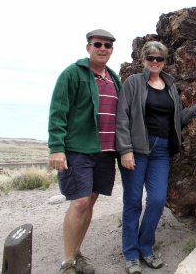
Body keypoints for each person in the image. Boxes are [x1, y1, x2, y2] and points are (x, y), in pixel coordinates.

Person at [116, 41, 196, 274]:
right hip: (137, 149)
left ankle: (145, 246)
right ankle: (130, 254)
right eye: (150, 58)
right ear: (143, 60)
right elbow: (122, 117)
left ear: (164, 61)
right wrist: (125, 150)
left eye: (159, 59)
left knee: (158, 200)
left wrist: (195, 109)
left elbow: (175, 118)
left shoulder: (170, 85)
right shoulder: (133, 83)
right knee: (132, 202)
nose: (155, 62)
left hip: (161, 151)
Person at [48, 29, 122, 274]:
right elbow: (58, 112)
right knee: (79, 203)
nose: (103, 48)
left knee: (90, 203)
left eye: (108, 45)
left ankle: (77, 253)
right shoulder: (73, 74)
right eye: (98, 44)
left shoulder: (113, 78)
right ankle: (67, 263)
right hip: (79, 150)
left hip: (105, 152)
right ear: (88, 47)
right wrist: (57, 148)